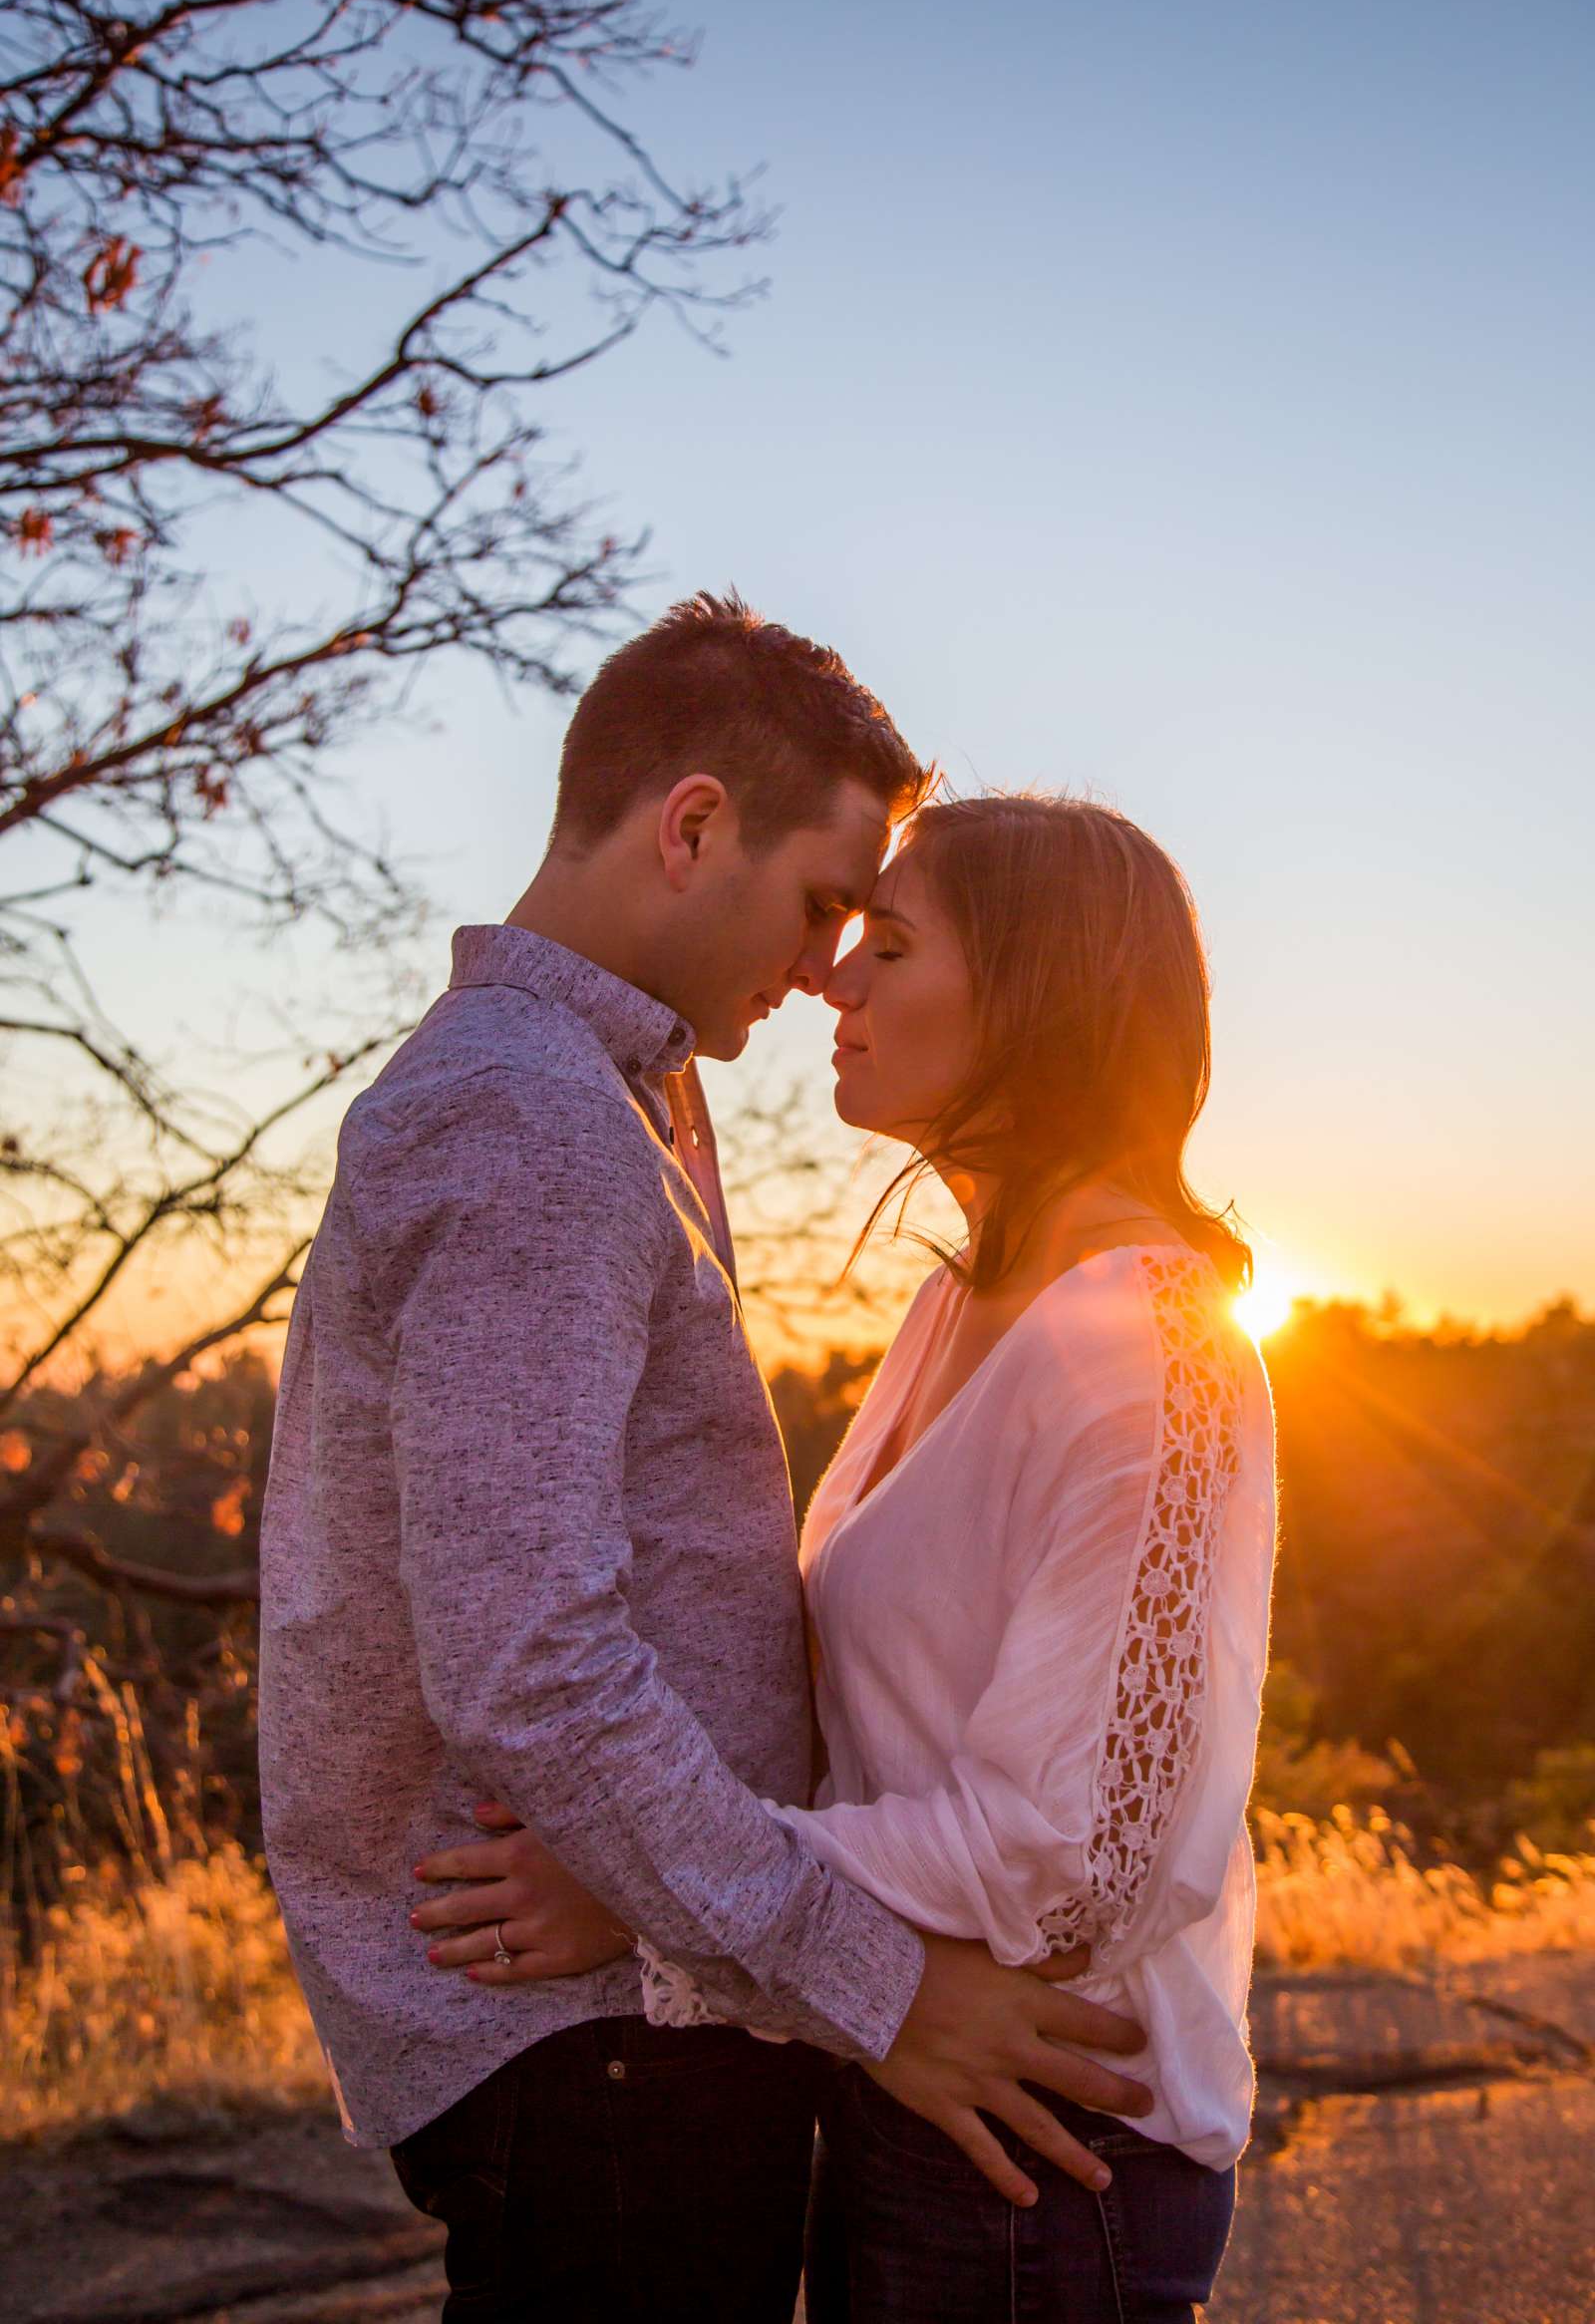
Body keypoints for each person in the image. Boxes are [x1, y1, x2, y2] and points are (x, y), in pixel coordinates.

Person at [258, 602, 1152, 2324]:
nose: (833, 966)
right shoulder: (525, 1109)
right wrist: (875, 1981)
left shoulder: (615, 1090)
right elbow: (531, 1655)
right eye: (826, 903)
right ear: (690, 826)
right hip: (590, 2064)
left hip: (643, 2006)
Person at [413, 792, 1279, 2323]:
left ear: (1040, 990)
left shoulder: (1157, 1352)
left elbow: (1073, 1862)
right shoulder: (962, 1307)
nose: (835, 979)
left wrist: (651, 1893)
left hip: (1050, 2153)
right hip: (904, 2087)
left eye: (888, 941)